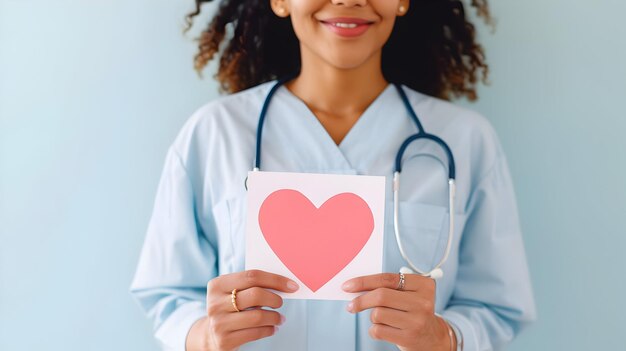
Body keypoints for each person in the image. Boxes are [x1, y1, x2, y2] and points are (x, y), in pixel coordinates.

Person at [129, 0, 537, 350]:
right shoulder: (214, 134)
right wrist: (203, 334)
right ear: (280, 1)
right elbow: (168, 294)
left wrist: (445, 336)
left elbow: (497, 307)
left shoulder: (465, 141)